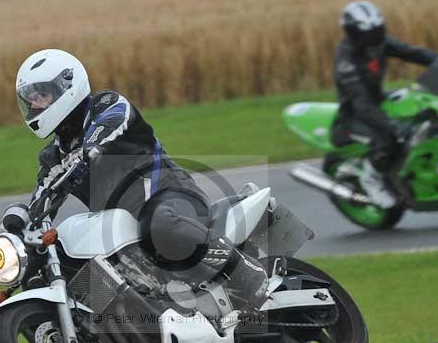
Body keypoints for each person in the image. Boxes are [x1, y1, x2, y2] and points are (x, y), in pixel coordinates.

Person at [15, 49, 267, 308]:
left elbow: (109, 126)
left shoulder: (108, 105)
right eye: (30, 100)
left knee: (159, 226)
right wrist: (13, 229)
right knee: (62, 262)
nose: (35, 106)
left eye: (41, 96)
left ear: (67, 86)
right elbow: (41, 199)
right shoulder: (53, 157)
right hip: (119, 231)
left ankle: (244, 273)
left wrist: (88, 152)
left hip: (169, 195)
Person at [333, 0, 438, 208]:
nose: (374, 36)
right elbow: (361, 101)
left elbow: (413, 52)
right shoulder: (347, 60)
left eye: (377, 30)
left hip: (378, 99)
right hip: (355, 112)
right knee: (386, 141)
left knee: (422, 111)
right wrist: (391, 125)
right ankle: (371, 179)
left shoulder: (379, 43)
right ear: (353, 33)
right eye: (369, 33)